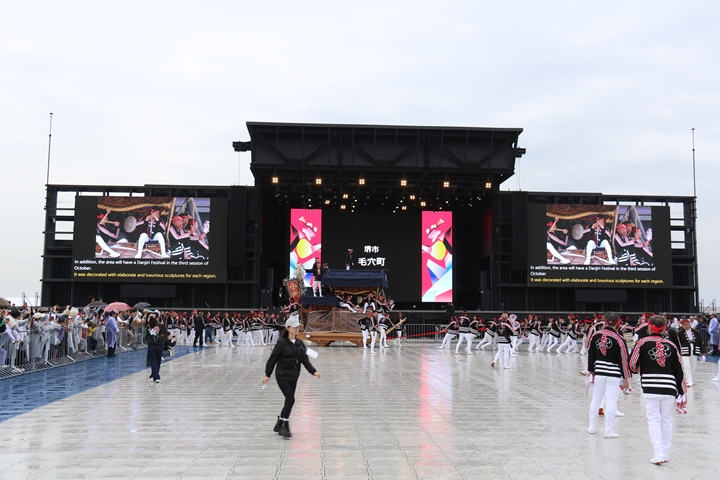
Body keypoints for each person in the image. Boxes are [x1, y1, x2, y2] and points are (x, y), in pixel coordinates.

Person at [630, 315, 686, 464]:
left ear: (649, 327)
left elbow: (632, 364)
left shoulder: (642, 343)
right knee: (667, 420)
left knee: (654, 420)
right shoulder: (671, 345)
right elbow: (679, 370)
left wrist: (642, 370)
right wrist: (681, 391)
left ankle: (658, 452)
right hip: (669, 386)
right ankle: (665, 453)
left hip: (650, 386)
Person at [262, 313, 321, 438]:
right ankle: (285, 425)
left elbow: (304, 359)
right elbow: (272, 359)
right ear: (288, 328)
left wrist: (313, 371)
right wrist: (268, 374)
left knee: (288, 400)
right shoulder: (281, 343)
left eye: (298, 327)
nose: (296, 329)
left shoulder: (300, 343)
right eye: (294, 327)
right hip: (282, 375)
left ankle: (280, 422)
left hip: (293, 375)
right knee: (291, 399)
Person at [586, 312, 630, 439]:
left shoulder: (596, 335)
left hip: (599, 372)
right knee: (611, 401)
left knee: (596, 399)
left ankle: (592, 427)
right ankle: (608, 430)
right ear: (617, 323)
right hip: (614, 374)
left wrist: (591, 371)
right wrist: (626, 378)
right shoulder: (619, 339)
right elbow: (624, 360)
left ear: (605, 322)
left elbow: (591, 354)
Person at [674, 319, 705, 387]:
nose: (686, 326)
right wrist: (678, 352)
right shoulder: (679, 333)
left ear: (690, 324)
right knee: (686, 366)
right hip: (684, 351)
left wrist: (703, 353)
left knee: (693, 365)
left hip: (694, 350)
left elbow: (700, 342)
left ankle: (689, 379)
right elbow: (677, 343)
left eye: (687, 324)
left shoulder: (695, 332)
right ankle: (689, 381)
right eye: (684, 325)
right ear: (682, 326)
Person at [147, 314, 175, 383]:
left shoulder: (148, 326)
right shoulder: (161, 325)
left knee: (153, 360)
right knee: (157, 360)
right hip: (159, 345)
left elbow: (147, 336)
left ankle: (153, 374)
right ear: (157, 318)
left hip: (151, 345)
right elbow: (165, 333)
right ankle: (156, 377)